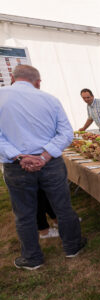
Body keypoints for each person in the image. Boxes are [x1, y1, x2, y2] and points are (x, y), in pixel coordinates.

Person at [0, 65, 86, 270]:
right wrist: (44, 156)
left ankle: (32, 258)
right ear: (38, 82)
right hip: (51, 163)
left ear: (12, 77)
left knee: (24, 213)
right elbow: (66, 134)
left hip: (16, 165)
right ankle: (72, 246)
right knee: (62, 206)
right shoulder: (50, 99)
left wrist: (20, 156)